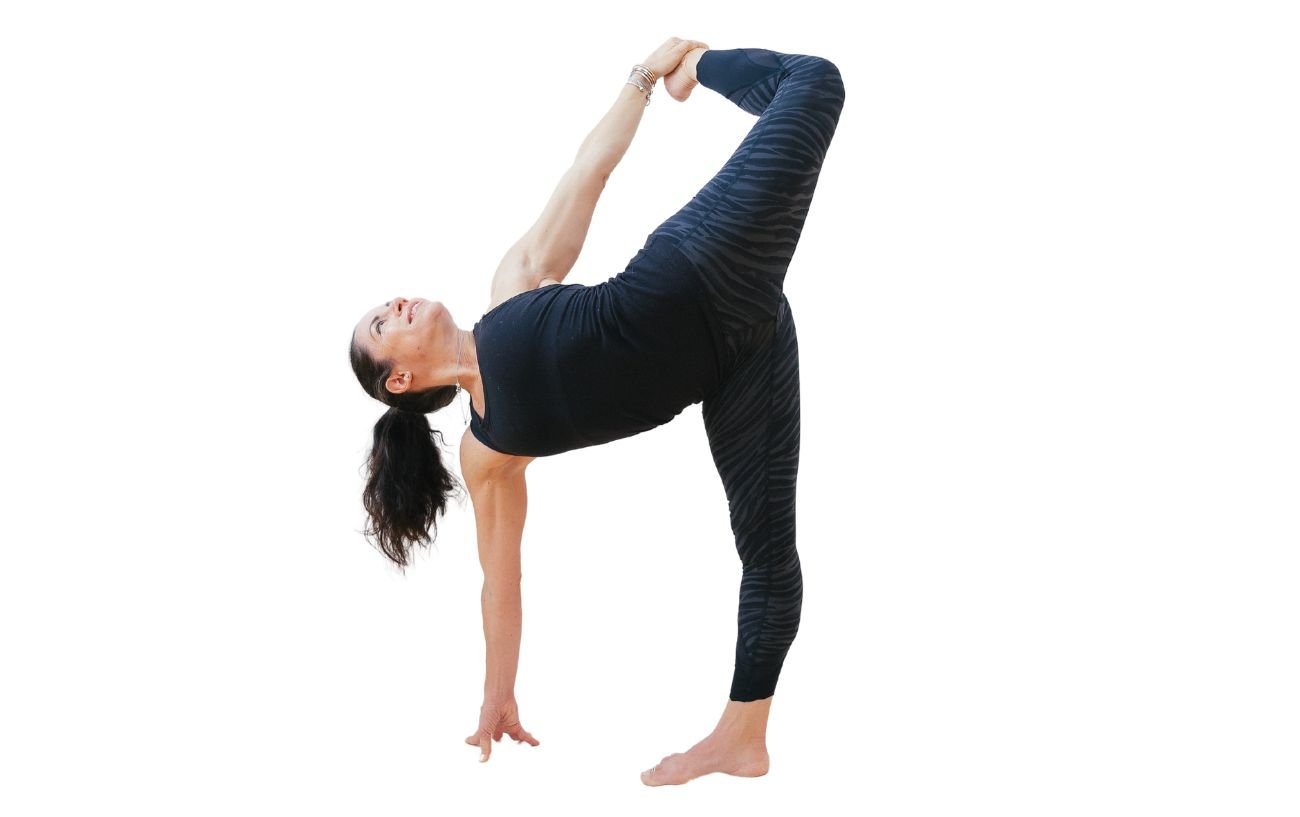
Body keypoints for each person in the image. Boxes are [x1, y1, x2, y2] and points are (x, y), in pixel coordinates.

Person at [348, 39, 845, 786]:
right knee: (769, 554)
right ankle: (743, 737)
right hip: (741, 352)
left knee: (814, 85)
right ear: (400, 379)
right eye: (383, 326)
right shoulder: (488, 452)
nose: (395, 304)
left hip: (697, 264)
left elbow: (590, 170)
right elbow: (501, 580)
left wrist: (646, 78)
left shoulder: (512, 286)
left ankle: (697, 63)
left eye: (385, 305)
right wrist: (497, 693)